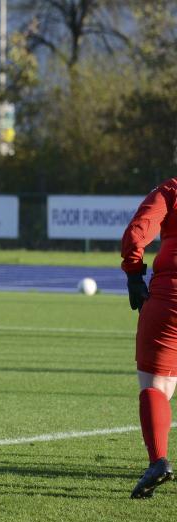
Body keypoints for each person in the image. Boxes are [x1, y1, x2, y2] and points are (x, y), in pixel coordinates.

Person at [122, 177, 177, 498]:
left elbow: (138, 231)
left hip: (170, 295)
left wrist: (133, 274)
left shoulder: (172, 190)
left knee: (157, 386)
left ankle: (158, 461)